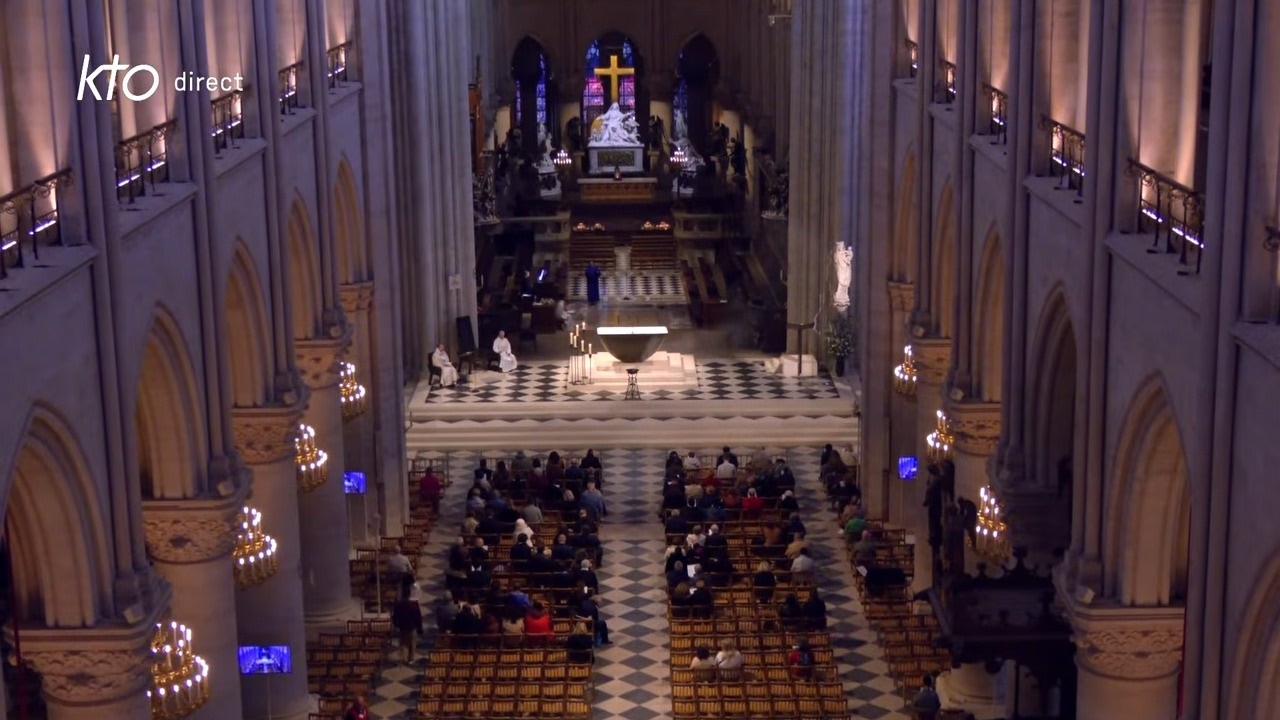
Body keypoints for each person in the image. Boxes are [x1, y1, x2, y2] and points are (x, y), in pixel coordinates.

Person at [391, 588, 424, 664]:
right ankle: (410, 658)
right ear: (409, 595)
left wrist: (397, 625)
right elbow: (418, 618)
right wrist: (420, 628)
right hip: (412, 627)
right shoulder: (414, 605)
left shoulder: (398, 605)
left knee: (403, 643)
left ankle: (404, 657)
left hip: (402, 627)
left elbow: (394, 617)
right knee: (412, 643)